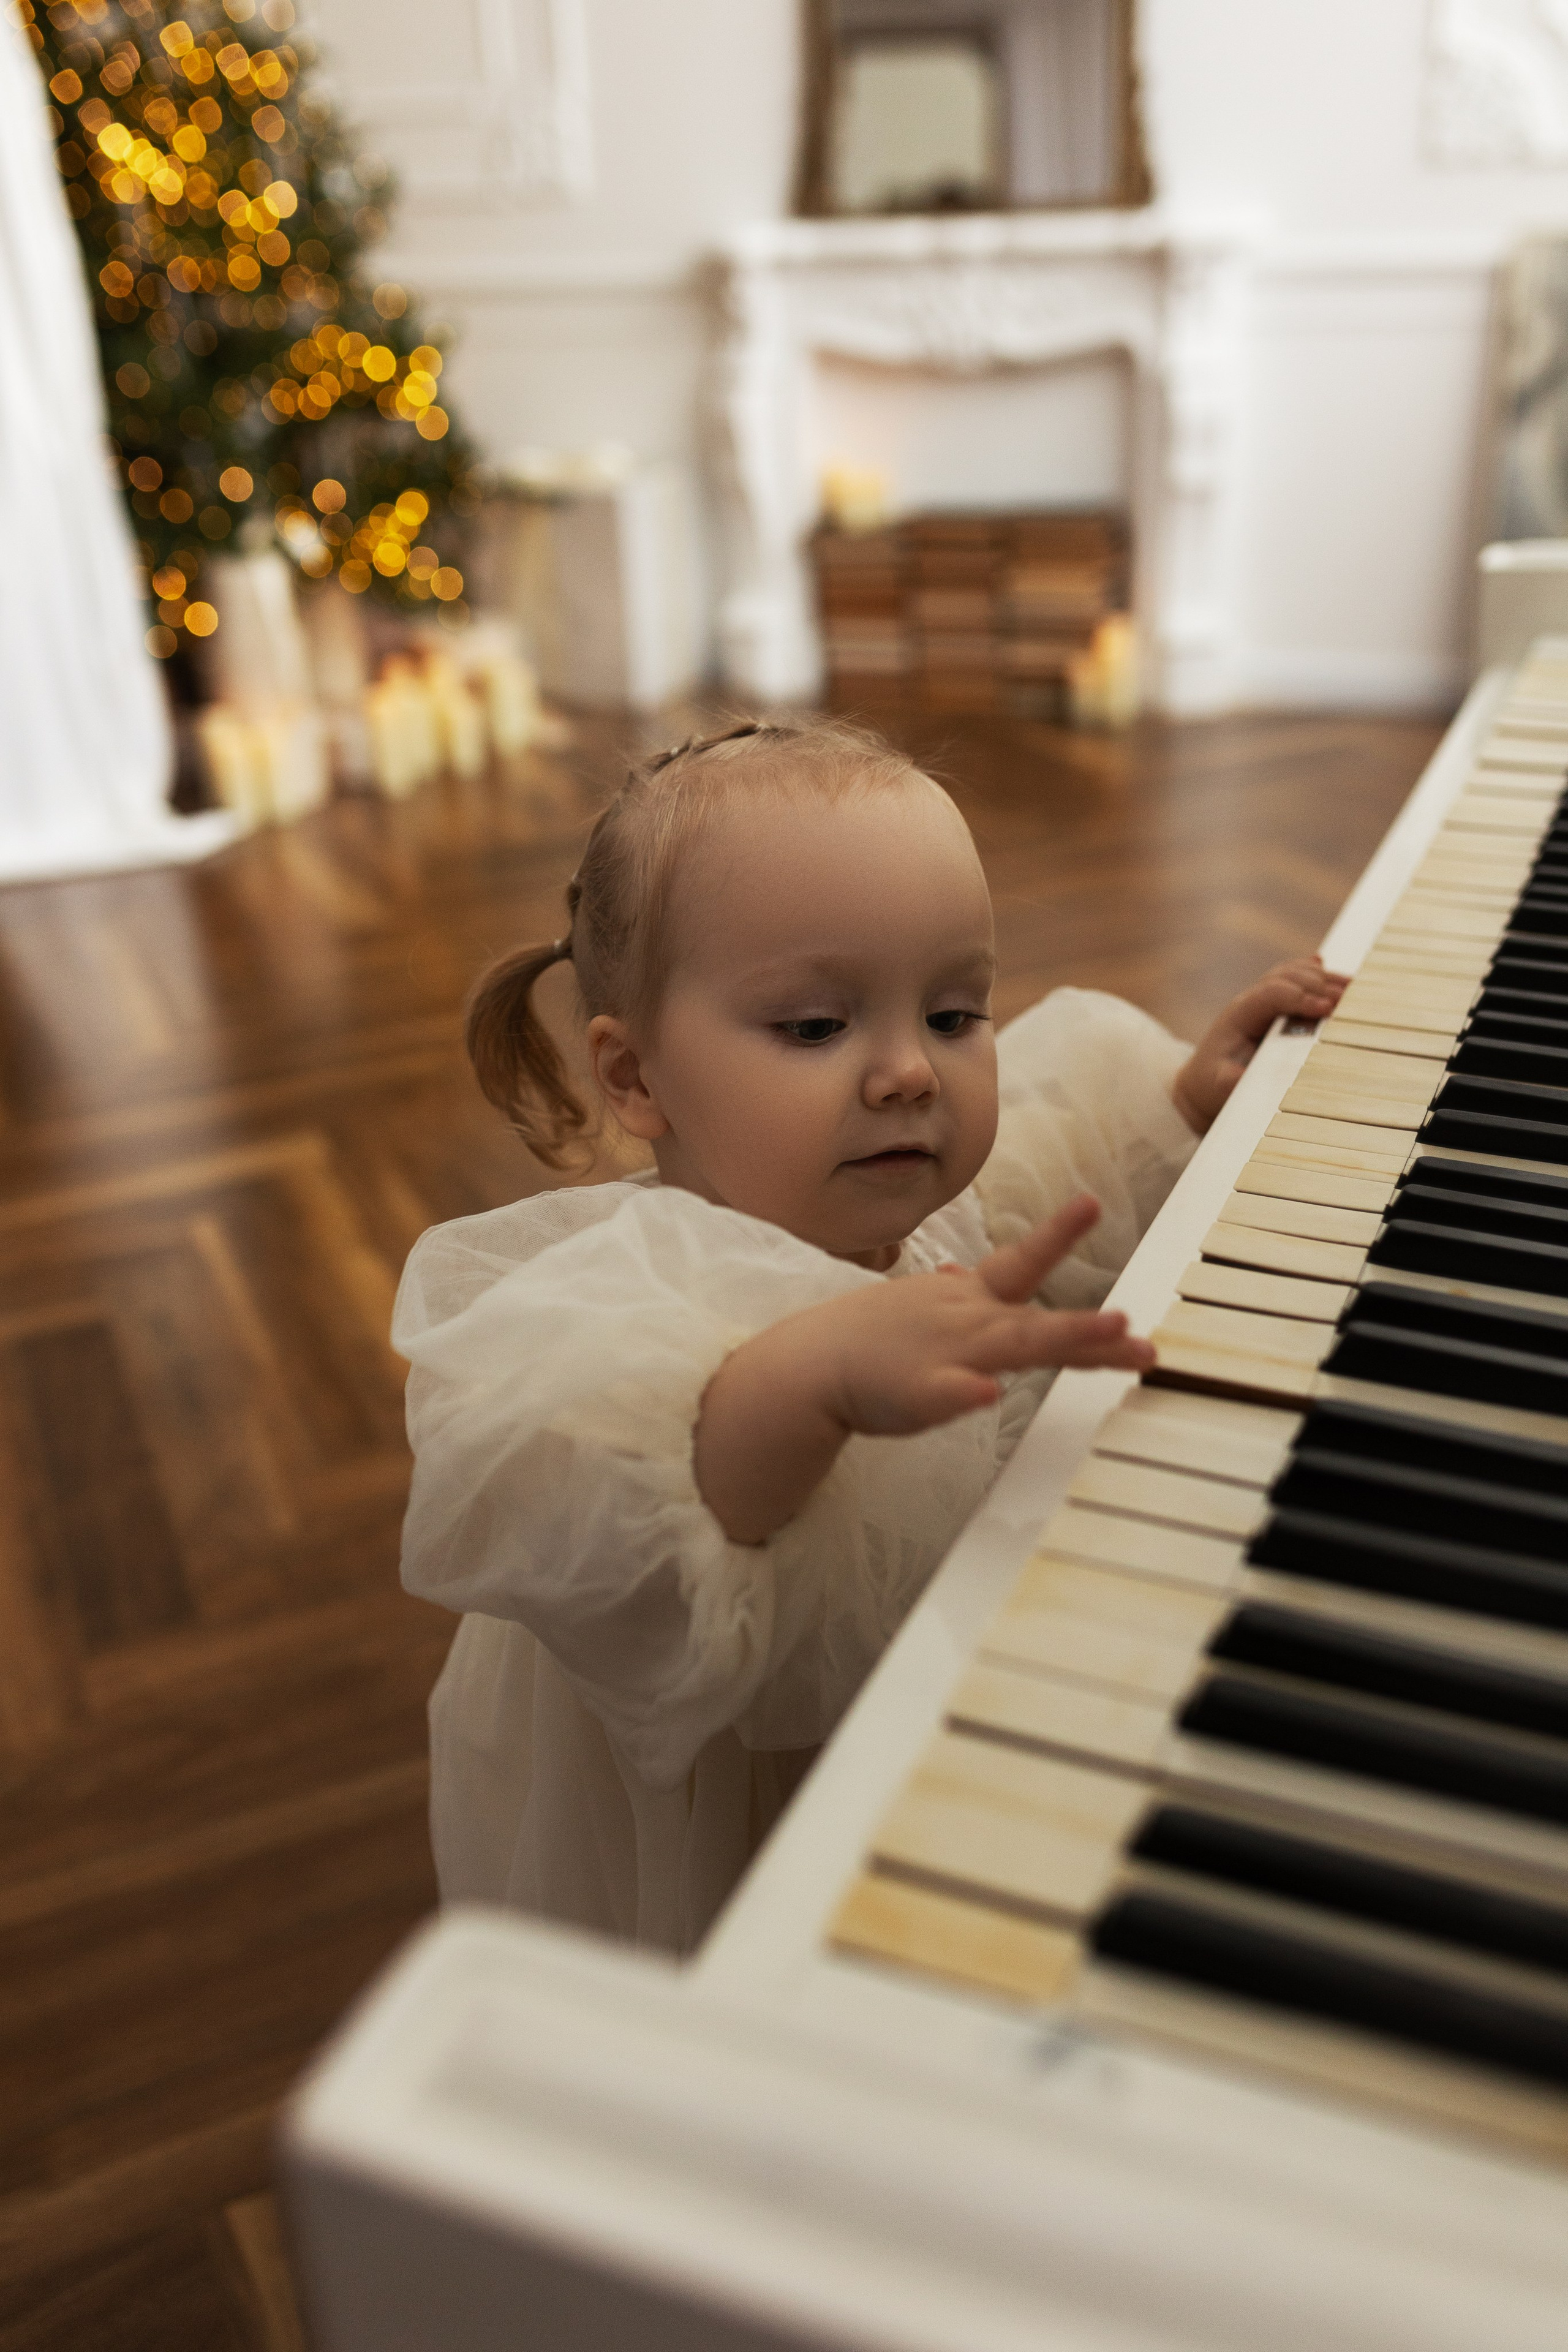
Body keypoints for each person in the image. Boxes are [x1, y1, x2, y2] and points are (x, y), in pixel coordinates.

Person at [393, 718, 1345, 1953]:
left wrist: (1183, 1102)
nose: (908, 1071)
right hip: (742, 1814)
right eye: (813, 1028)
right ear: (633, 1082)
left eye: (953, 1013)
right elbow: (630, 1495)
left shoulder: (922, 1205)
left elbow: (1046, 1172)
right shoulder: (613, 1304)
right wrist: (815, 1377)